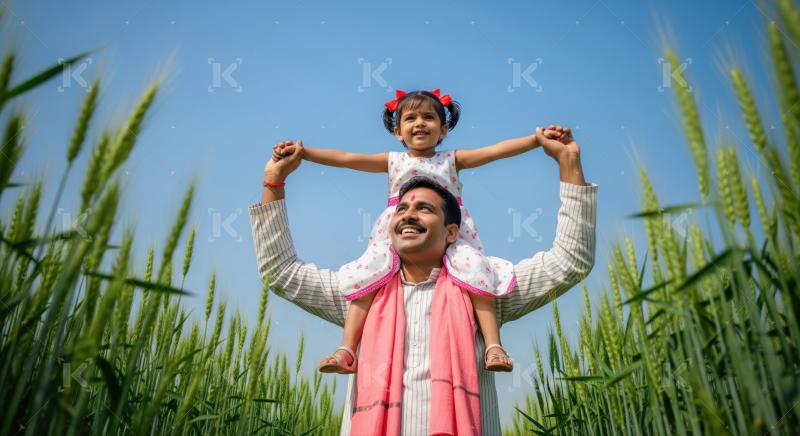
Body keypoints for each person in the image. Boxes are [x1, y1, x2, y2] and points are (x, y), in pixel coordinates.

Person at [249, 125, 597, 435]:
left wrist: (568, 164)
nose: (409, 214)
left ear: (452, 232)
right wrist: (274, 181)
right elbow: (281, 272)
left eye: (424, 209)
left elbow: (570, 261)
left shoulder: (485, 289)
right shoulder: (361, 294)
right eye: (401, 209)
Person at [270, 89, 567, 375]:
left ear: (443, 130)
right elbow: (347, 158)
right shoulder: (393, 161)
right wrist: (304, 153)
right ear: (398, 131)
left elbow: (494, 152)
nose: (420, 123)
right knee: (368, 276)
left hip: (451, 231)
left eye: (429, 117)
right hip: (398, 232)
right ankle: (347, 349)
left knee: (477, 271)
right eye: (410, 119)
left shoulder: (451, 160)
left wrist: (536, 140)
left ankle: (492, 345)